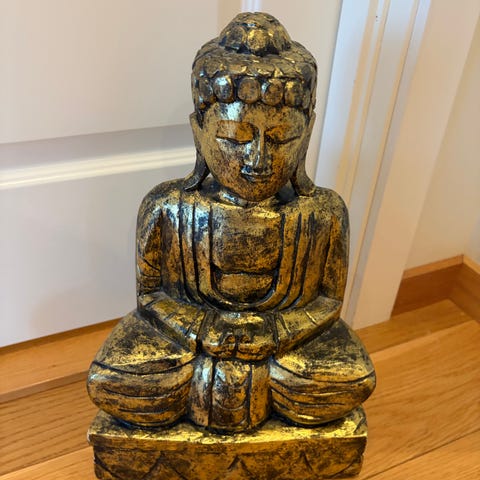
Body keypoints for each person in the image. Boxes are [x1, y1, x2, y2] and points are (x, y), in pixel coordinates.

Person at [87, 12, 375, 433]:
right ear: (199, 134)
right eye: (235, 138)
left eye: (280, 139)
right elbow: (151, 296)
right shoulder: (166, 207)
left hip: (285, 348)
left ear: (307, 135)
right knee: (115, 378)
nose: (257, 160)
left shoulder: (322, 213)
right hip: (188, 344)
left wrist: (276, 334)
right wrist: (202, 329)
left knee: (349, 378)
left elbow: (328, 302)